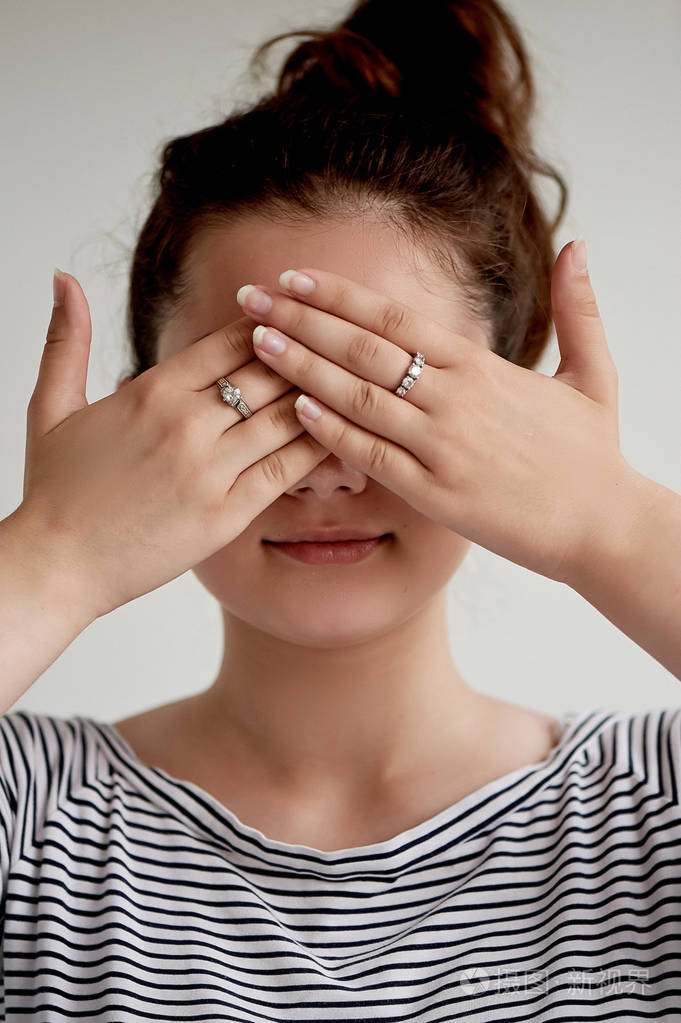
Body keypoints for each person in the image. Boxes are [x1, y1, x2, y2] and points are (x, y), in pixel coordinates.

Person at [1, 0, 680, 1017]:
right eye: (256, 399)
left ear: (514, 416)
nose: (326, 475)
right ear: (141, 413)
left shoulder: (653, 804)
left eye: (396, 396)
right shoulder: (30, 818)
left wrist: (614, 527)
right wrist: (50, 555)